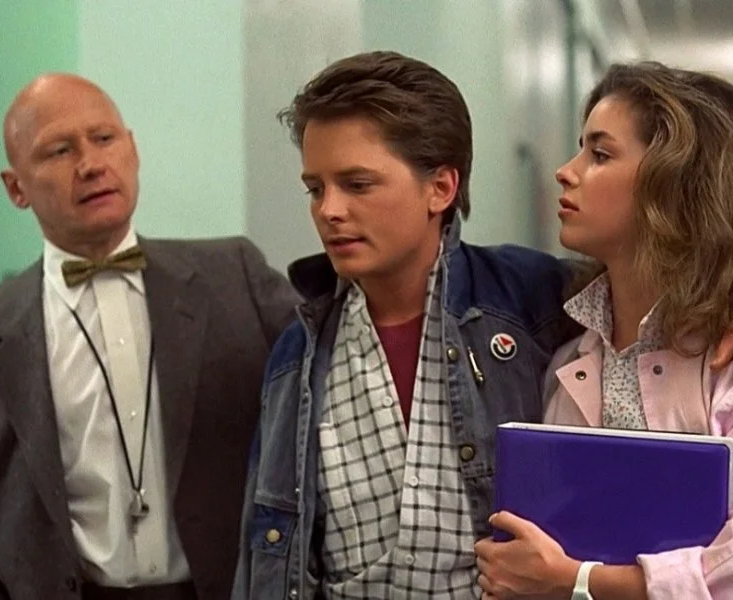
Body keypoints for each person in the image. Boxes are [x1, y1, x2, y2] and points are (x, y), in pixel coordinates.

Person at [0, 73, 297, 600]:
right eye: (60, 150)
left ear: (133, 149)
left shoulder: (235, 276)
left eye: (104, 139)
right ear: (16, 188)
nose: (91, 164)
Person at [232, 50, 579, 600]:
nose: (329, 210)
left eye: (357, 184)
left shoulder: (530, 301)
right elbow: (270, 551)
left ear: (440, 188)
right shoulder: (299, 354)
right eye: (316, 188)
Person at [475, 63, 733, 599]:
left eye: (600, 154)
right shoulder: (569, 361)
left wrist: (578, 580)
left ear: (674, 181)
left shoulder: (721, 362)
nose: (564, 172)